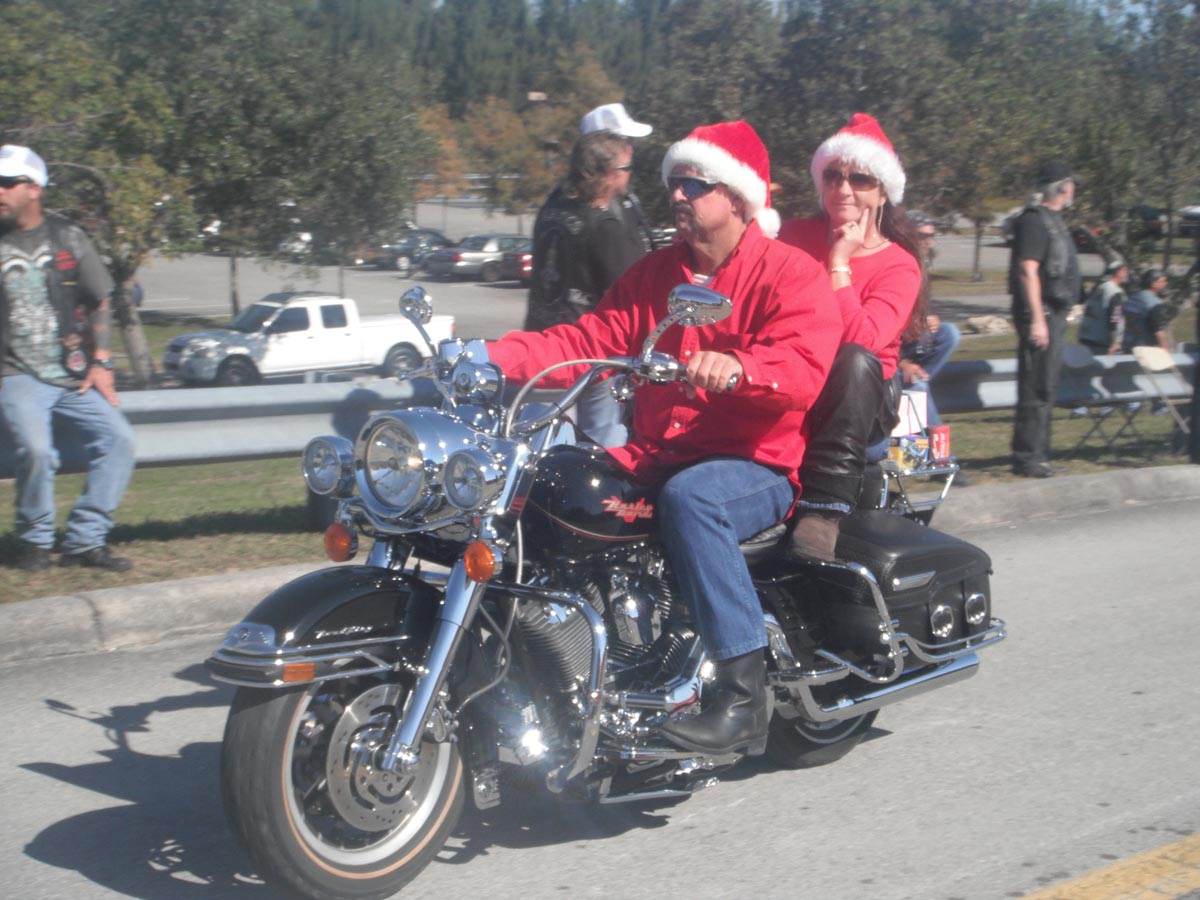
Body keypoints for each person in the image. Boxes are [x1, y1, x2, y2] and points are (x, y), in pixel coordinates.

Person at [490, 121, 843, 756]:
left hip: (752, 465)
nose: (678, 195)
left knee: (694, 499)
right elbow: (586, 341)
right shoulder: (655, 275)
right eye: (674, 184)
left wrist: (740, 368)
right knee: (554, 485)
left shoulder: (791, 274)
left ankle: (742, 697)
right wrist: (491, 357)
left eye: (694, 184)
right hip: (656, 453)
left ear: (736, 194)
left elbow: (802, 366)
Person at [778, 112, 927, 558]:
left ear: (882, 192)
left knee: (854, 360)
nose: (843, 188)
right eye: (833, 176)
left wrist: (839, 262)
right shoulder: (791, 236)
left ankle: (823, 511)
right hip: (794, 380)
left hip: (860, 398)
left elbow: (861, 338)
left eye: (859, 178)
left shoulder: (899, 264)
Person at [0, 144, 136, 572]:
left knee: (119, 440)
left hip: (72, 373)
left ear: (34, 188)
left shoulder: (68, 237)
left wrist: (102, 360)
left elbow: (100, 297)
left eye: (7, 182)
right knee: (38, 450)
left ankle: (84, 541)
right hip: (15, 371)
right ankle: (35, 541)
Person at [525, 113, 655, 446]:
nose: (629, 175)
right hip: (589, 351)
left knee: (540, 441)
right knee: (601, 444)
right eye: (626, 168)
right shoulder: (605, 226)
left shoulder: (551, 209)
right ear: (608, 174)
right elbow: (634, 290)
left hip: (542, 343)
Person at [1009, 160, 1082, 479]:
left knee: (1046, 386)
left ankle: (1039, 455)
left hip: (1054, 313)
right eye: (1071, 184)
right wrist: (1038, 319)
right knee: (1036, 386)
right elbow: (1028, 270)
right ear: (1063, 187)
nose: (1073, 190)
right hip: (1043, 313)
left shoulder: (1052, 220)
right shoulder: (1034, 221)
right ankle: (1027, 458)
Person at [897, 212, 961, 427]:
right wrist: (902, 362)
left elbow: (921, 306)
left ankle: (915, 378)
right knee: (918, 388)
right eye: (923, 235)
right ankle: (937, 447)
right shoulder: (895, 263)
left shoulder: (922, 263)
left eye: (931, 235)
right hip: (888, 354)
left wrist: (929, 318)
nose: (929, 241)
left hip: (911, 342)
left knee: (949, 333)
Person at [579, 102, 658, 256]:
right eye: (625, 141)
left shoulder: (624, 200)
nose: (630, 149)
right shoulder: (597, 215)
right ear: (600, 151)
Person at [1078, 258, 1128, 355]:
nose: (1126, 273)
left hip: (1086, 339)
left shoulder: (1097, 289)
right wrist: (1115, 343)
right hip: (1103, 344)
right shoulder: (1114, 292)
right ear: (1119, 272)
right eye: (1125, 270)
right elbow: (1115, 318)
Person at [1121, 267, 1172, 353]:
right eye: (1162, 281)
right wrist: (1165, 349)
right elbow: (1158, 330)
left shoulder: (1133, 297)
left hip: (1127, 345)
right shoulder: (1155, 304)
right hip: (1144, 349)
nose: (1165, 284)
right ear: (1153, 284)